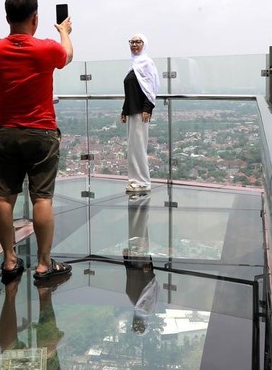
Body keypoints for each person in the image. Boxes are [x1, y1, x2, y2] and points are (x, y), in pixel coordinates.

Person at [0, 0, 73, 283]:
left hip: (6, 130)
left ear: (7, 18)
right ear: (35, 18)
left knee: (4, 197)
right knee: (41, 198)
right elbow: (67, 55)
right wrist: (64, 31)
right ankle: (44, 265)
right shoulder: (46, 49)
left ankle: (9, 260)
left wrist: (2, 96)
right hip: (41, 132)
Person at [121, 34, 160, 193]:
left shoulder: (147, 63)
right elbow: (130, 92)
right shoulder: (134, 65)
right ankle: (134, 180)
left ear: (145, 44)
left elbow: (152, 87)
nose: (134, 44)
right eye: (132, 42)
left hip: (141, 112)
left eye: (138, 42)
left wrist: (148, 108)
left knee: (139, 147)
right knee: (133, 148)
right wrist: (124, 110)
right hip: (132, 111)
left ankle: (143, 181)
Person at [123, 193, 159, 336]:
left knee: (139, 232)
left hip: (140, 261)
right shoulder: (138, 304)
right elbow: (146, 282)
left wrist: (146, 264)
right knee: (138, 231)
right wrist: (127, 261)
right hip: (138, 261)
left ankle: (139, 203)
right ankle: (138, 203)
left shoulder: (147, 308)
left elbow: (149, 283)